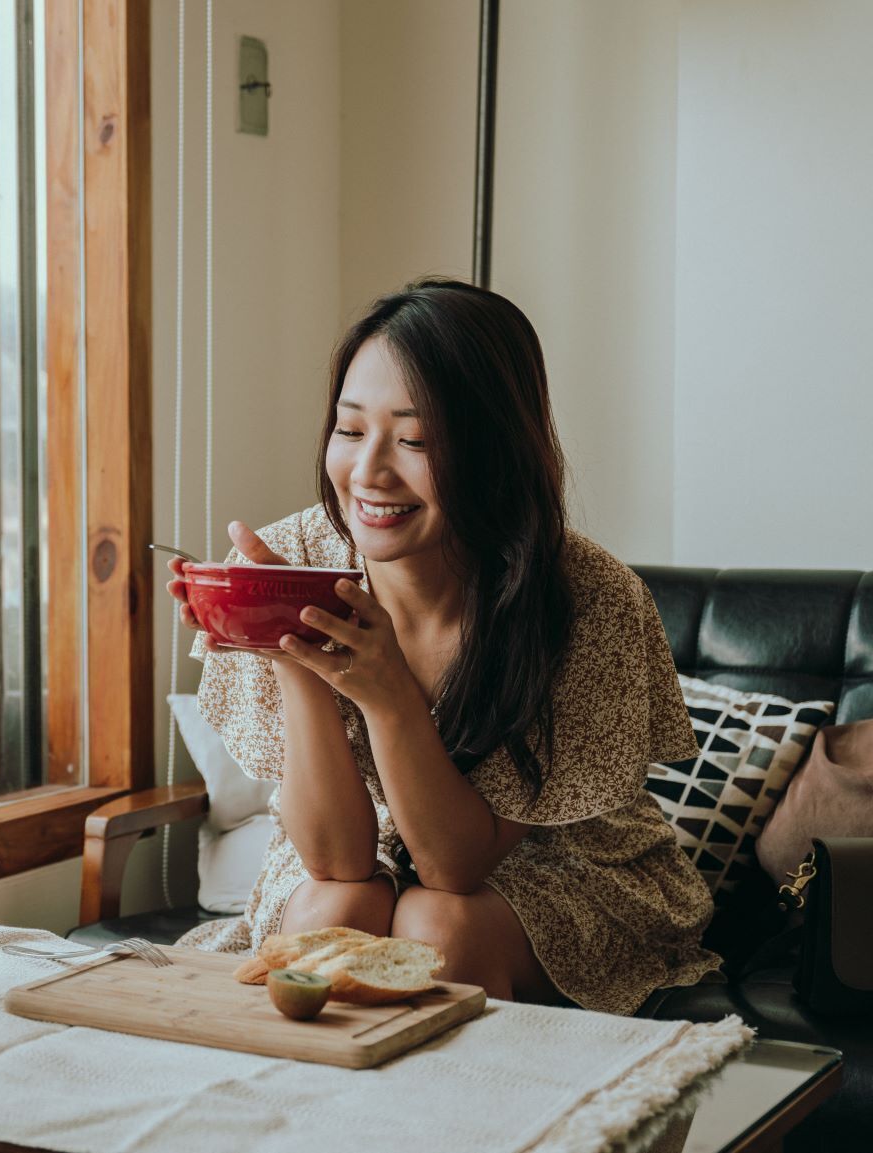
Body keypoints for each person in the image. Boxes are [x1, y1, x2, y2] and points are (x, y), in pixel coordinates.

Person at [171, 279, 722, 1014]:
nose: (367, 473)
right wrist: (287, 646)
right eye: (348, 429)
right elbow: (334, 859)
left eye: (415, 439)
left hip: (561, 860)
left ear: (494, 447)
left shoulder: (584, 595)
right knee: (330, 917)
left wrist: (386, 689)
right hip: (361, 849)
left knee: (438, 928)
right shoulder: (293, 556)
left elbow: (454, 866)